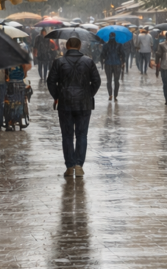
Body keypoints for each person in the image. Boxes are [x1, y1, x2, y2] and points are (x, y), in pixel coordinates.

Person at [47, 37, 101, 177]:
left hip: (65, 103)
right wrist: (88, 94)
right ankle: (79, 165)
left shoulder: (59, 62)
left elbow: (51, 81)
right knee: (82, 135)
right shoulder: (88, 61)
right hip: (84, 104)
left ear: (67, 45)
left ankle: (70, 166)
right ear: (80, 46)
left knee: (67, 135)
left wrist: (57, 96)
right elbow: (96, 81)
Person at [100, 35, 125, 102]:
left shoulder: (105, 45)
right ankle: (115, 95)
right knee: (116, 80)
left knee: (109, 80)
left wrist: (102, 62)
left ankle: (110, 94)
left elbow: (102, 55)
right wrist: (123, 62)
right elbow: (123, 54)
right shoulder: (119, 45)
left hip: (108, 64)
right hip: (117, 64)